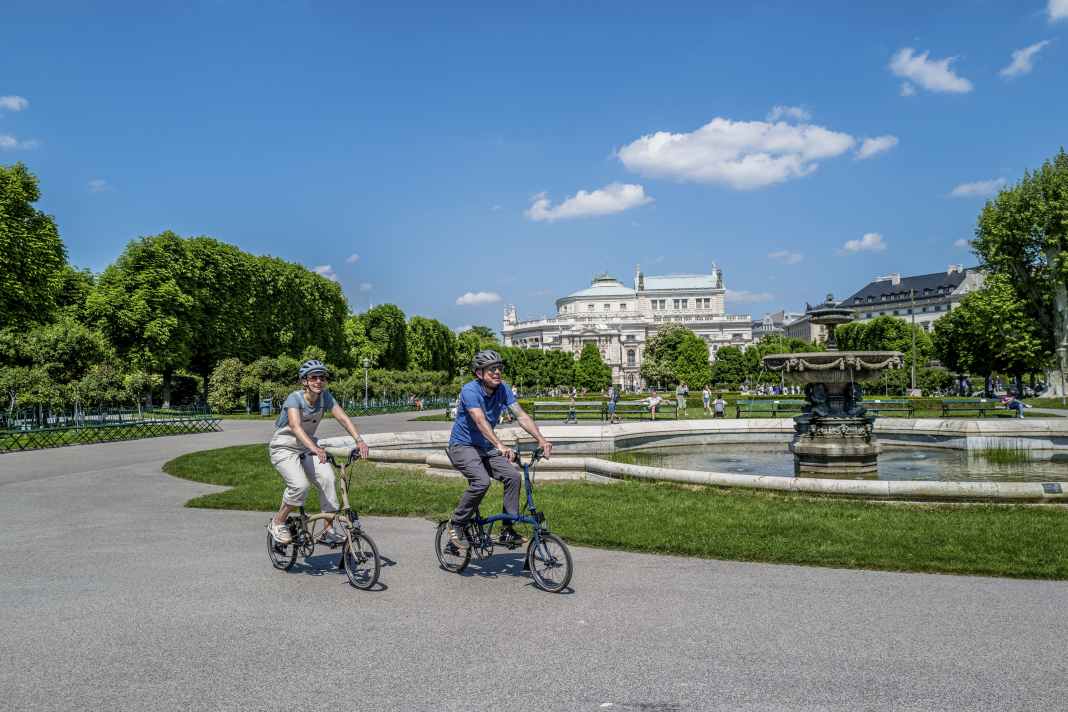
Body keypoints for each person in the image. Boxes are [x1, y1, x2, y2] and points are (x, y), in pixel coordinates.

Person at [446, 350, 554, 551]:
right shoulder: (470, 391)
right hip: (463, 446)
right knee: (481, 481)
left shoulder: (503, 389)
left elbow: (520, 415)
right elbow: (479, 420)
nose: (497, 372)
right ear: (479, 373)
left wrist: (541, 439)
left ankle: (507, 529)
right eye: (491, 369)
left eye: (499, 368)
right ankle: (457, 523)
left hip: (486, 447)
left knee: (513, 476)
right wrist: (500, 445)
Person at [267, 359, 370, 546]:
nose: (318, 381)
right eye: (313, 377)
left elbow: (342, 417)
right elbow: (296, 427)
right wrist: (315, 448)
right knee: (299, 486)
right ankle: (278, 522)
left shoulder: (326, 397)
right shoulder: (294, 398)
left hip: (307, 446)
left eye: (322, 377)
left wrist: (359, 440)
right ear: (304, 381)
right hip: (284, 446)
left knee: (328, 479)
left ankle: (328, 530)